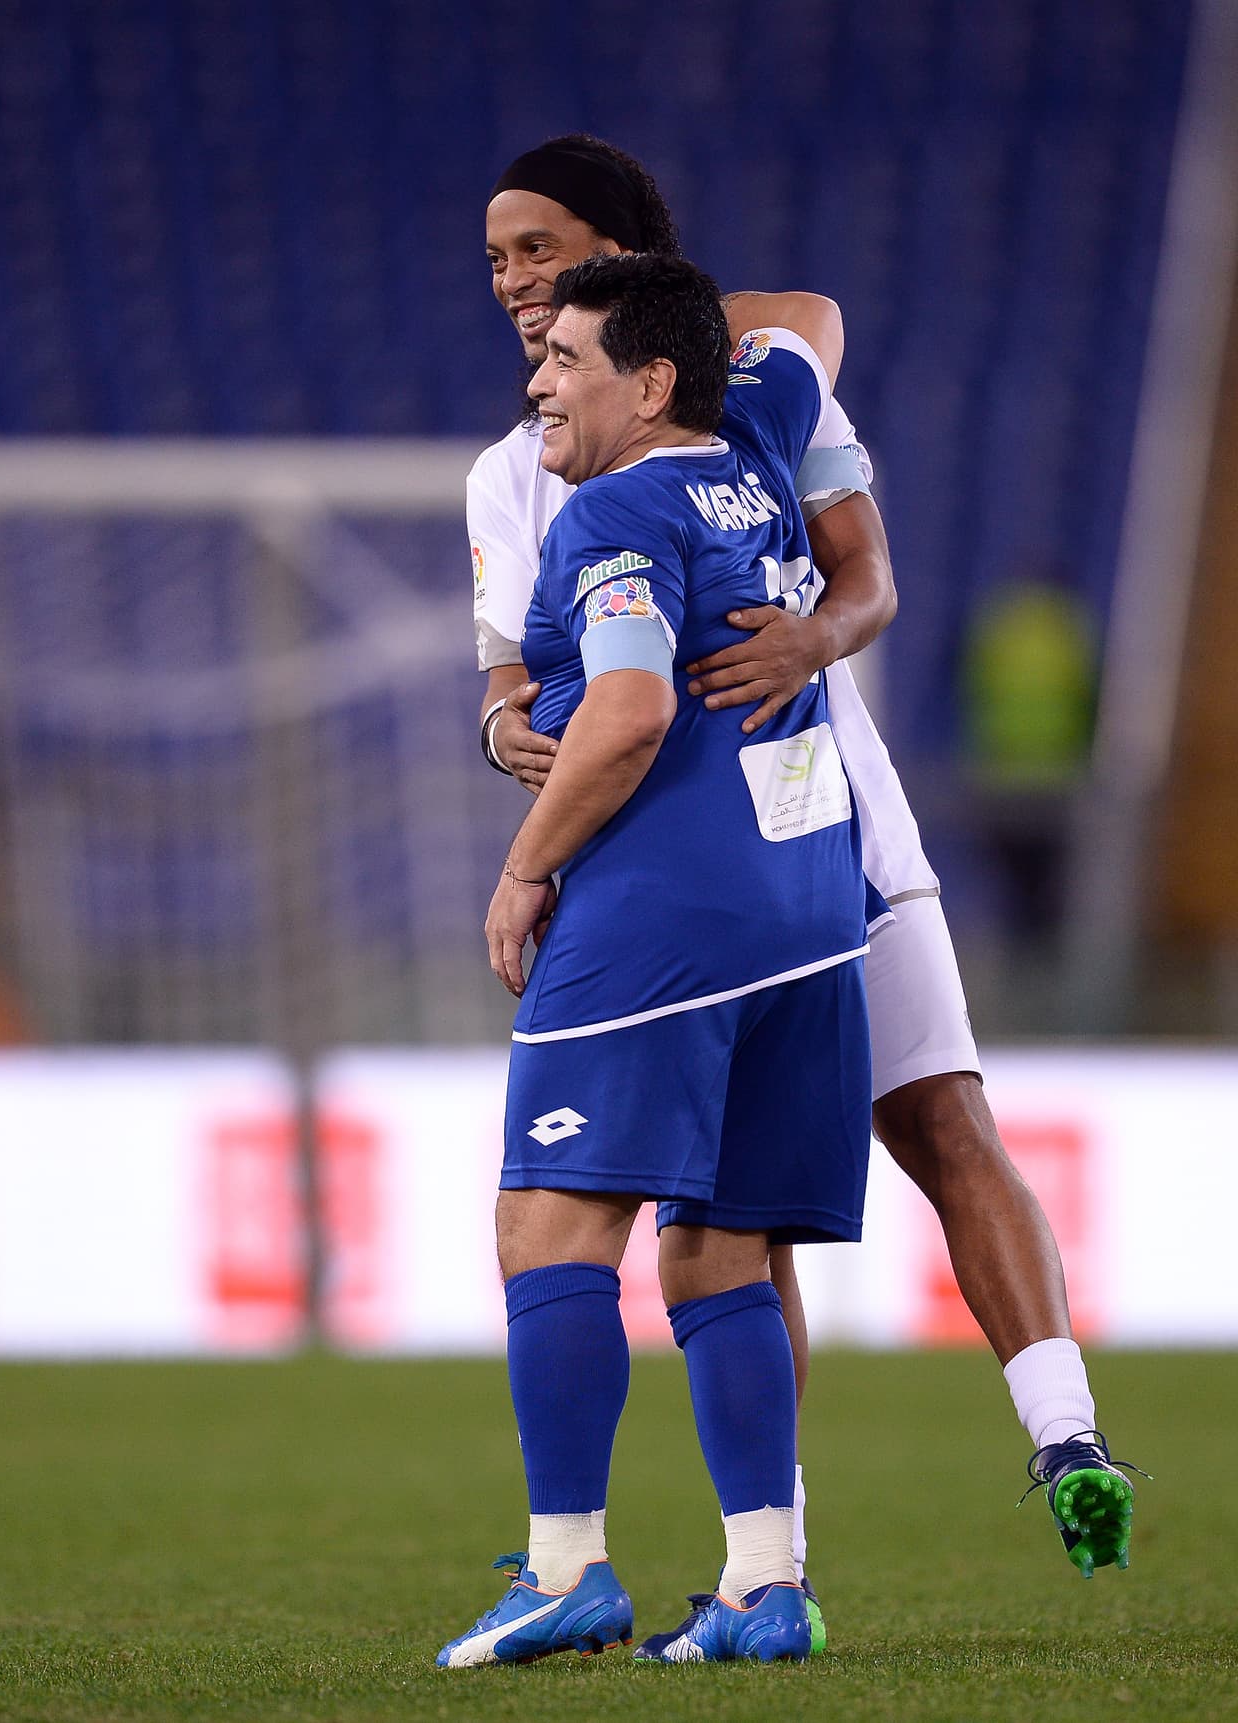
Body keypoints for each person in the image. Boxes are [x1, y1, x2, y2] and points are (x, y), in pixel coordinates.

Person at [469, 138, 1139, 1633]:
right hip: (787, 881)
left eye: (546, 255)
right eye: (502, 262)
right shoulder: (534, 467)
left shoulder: (684, 426)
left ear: (631, 278)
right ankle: (772, 1567)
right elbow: (513, 670)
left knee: (685, 1207)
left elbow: (856, 565)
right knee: (756, 1210)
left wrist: (809, 643)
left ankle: (606, 1561)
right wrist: (514, 721)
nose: (517, 288)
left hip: (778, 850)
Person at [439, 253, 879, 1670]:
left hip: (664, 922)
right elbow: (808, 318)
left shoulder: (615, 512)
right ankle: (767, 1584)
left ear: (652, 381)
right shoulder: (754, 449)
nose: (536, 382)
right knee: (716, 1245)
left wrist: (526, 867)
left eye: (568, 358)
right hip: (808, 914)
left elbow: (625, 713)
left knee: (548, 1228)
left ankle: (566, 1565)